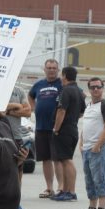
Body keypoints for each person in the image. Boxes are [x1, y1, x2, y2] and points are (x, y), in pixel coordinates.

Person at [74, 77, 105, 209]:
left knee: (100, 179)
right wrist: (81, 142)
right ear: (89, 89)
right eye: (92, 87)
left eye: (98, 87)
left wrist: (98, 145)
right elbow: (87, 126)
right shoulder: (89, 106)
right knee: (89, 180)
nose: (95, 89)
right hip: (86, 148)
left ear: (103, 88)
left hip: (99, 148)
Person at [28, 59, 63, 199]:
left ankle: (61, 188)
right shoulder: (39, 84)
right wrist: (33, 108)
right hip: (41, 127)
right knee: (45, 159)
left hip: (56, 128)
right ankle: (49, 188)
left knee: (57, 158)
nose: (51, 70)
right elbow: (31, 96)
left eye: (54, 68)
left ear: (58, 70)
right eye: (49, 68)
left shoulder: (62, 84)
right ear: (44, 69)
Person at [50, 66, 85, 202]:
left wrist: (56, 128)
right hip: (72, 128)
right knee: (64, 160)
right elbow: (82, 111)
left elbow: (61, 111)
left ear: (64, 75)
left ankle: (71, 191)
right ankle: (64, 190)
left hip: (64, 130)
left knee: (66, 160)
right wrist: (73, 118)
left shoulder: (66, 91)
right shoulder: (78, 91)